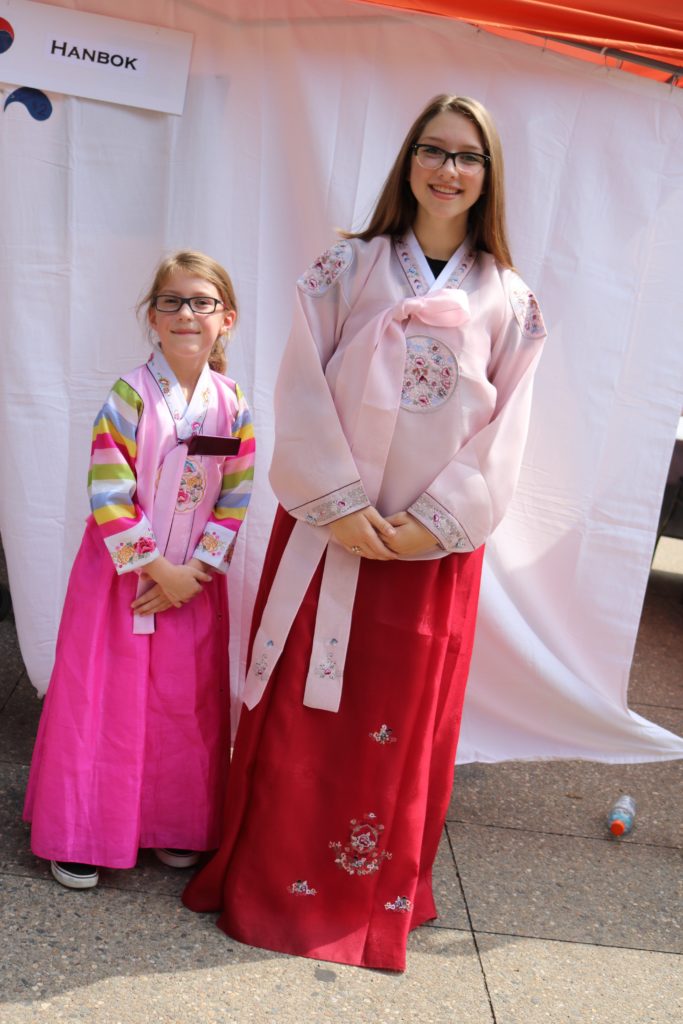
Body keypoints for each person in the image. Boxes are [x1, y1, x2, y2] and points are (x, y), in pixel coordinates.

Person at [183, 94, 547, 971]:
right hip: (326, 531)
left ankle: (371, 890)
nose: (448, 169)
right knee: (304, 714)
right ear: (408, 160)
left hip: (425, 552)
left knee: (396, 719)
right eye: (433, 149)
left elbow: (509, 431)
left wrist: (432, 524)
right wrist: (339, 502)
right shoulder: (343, 266)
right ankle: (271, 879)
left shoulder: (509, 298)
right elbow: (299, 382)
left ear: (488, 176)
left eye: (468, 156)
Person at [24, 250, 255, 889]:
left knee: (184, 704)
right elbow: (108, 489)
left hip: (192, 587)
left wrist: (195, 573)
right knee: (105, 700)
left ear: (226, 320)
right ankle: (82, 831)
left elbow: (236, 493)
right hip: (121, 581)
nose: (187, 314)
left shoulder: (232, 403)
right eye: (172, 302)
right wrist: (156, 568)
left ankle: (172, 823)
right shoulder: (128, 396)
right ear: (152, 317)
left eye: (202, 302)